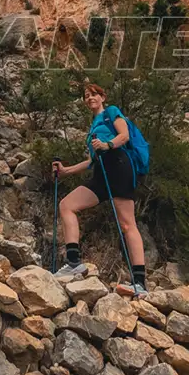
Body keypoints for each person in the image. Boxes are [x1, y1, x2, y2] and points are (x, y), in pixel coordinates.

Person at [52, 83, 147, 296]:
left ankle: (140, 283)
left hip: (119, 167)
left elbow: (124, 136)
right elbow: (91, 161)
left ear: (102, 97)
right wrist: (66, 171)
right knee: (67, 205)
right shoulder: (93, 127)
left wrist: (107, 145)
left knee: (127, 224)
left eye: (94, 94)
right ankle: (74, 263)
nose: (90, 98)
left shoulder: (111, 112)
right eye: (86, 96)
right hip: (101, 173)